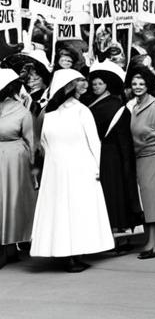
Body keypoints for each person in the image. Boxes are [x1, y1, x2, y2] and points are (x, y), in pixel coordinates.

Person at [30, 69, 114, 272]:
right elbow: (94, 143)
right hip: (76, 167)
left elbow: (43, 143)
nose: (83, 86)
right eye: (78, 82)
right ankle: (73, 255)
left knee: (62, 211)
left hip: (60, 168)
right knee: (76, 211)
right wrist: (96, 166)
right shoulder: (80, 111)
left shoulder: (50, 114)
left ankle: (66, 252)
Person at [86, 61, 141, 252]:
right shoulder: (90, 104)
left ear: (107, 85)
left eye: (99, 84)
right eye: (93, 84)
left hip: (112, 157)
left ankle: (120, 235)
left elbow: (124, 137)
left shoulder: (117, 106)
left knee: (114, 194)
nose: (95, 86)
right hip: (96, 154)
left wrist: (125, 161)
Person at [128, 66, 155, 258]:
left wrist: (145, 136)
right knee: (145, 201)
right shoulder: (134, 106)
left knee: (153, 200)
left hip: (154, 156)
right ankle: (151, 242)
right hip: (139, 157)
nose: (138, 87)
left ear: (148, 85)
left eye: (141, 83)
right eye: (134, 83)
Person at [0, 69, 35, 267]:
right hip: (6, 155)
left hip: (15, 159)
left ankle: (11, 246)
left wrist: (32, 170)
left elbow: (31, 141)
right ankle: (7, 247)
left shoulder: (22, 110)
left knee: (12, 200)